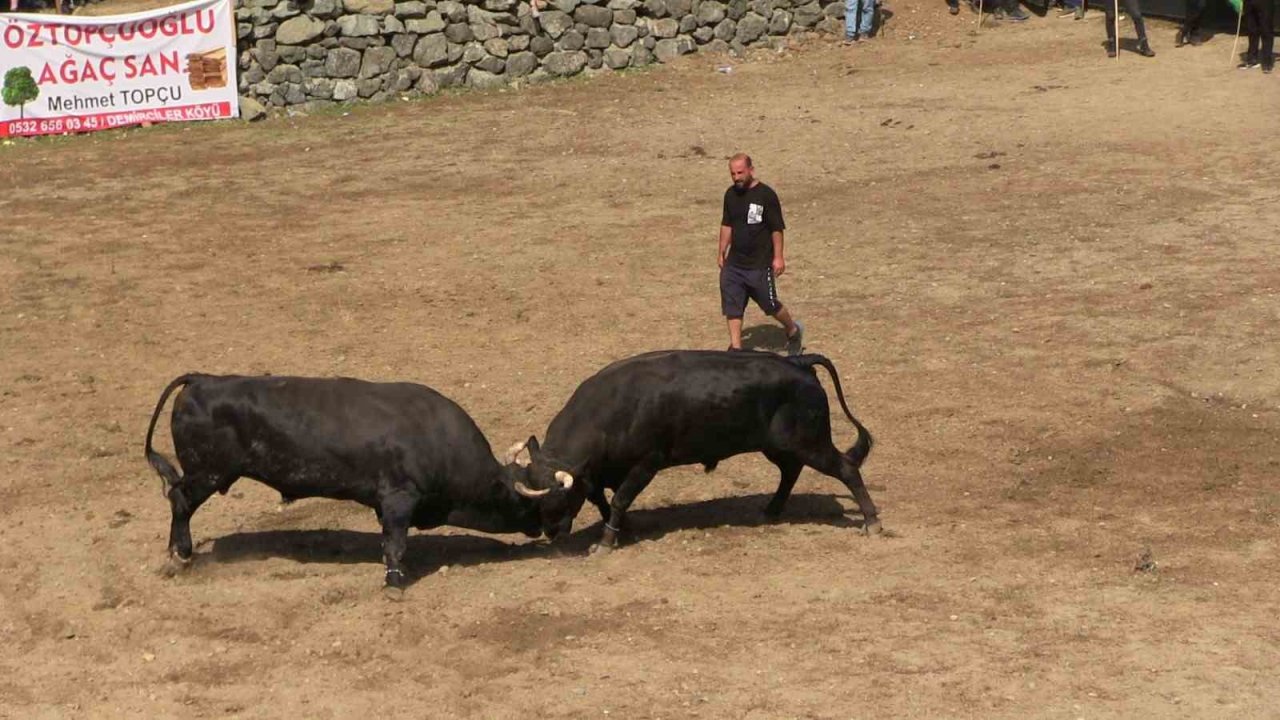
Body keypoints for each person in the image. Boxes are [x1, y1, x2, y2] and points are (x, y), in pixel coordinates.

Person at [718, 154, 804, 355]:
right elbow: (726, 224)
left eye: (740, 172)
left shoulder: (766, 196)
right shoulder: (730, 195)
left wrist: (778, 257)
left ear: (751, 170)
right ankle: (736, 349)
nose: (736, 177)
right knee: (733, 305)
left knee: (770, 304)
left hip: (759, 264)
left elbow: (776, 228)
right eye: (733, 173)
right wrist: (721, 250)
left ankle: (792, 330)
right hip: (735, 265)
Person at [1238, 0, 1275, 72]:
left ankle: (1267, 62)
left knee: (1266, 29)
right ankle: (1252, 59)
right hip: (1248, 2)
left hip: (1265, 2)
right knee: (1251, 29)